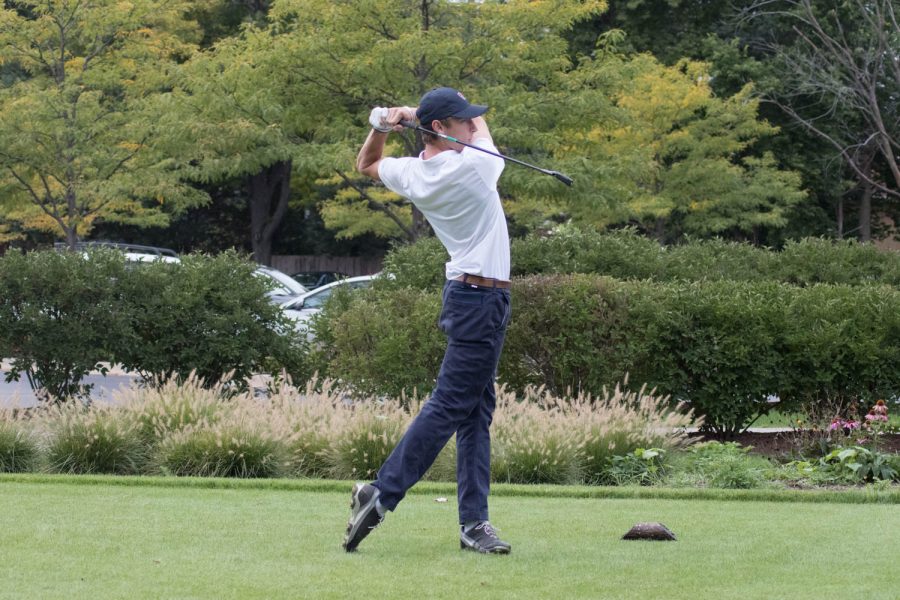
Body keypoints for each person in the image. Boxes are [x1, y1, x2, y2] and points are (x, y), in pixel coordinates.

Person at [342, 87, 512, 555]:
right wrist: (416, 114)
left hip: (472, 297)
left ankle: (473, 523)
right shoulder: (475, 164)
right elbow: (483, 132)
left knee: (474, 413)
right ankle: (381, 493)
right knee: (451, 406)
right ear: (440, 129)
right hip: (480, 301)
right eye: (462, 120)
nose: (471, 125)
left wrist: (380, 124)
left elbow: (367, 165)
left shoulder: (415, 173)